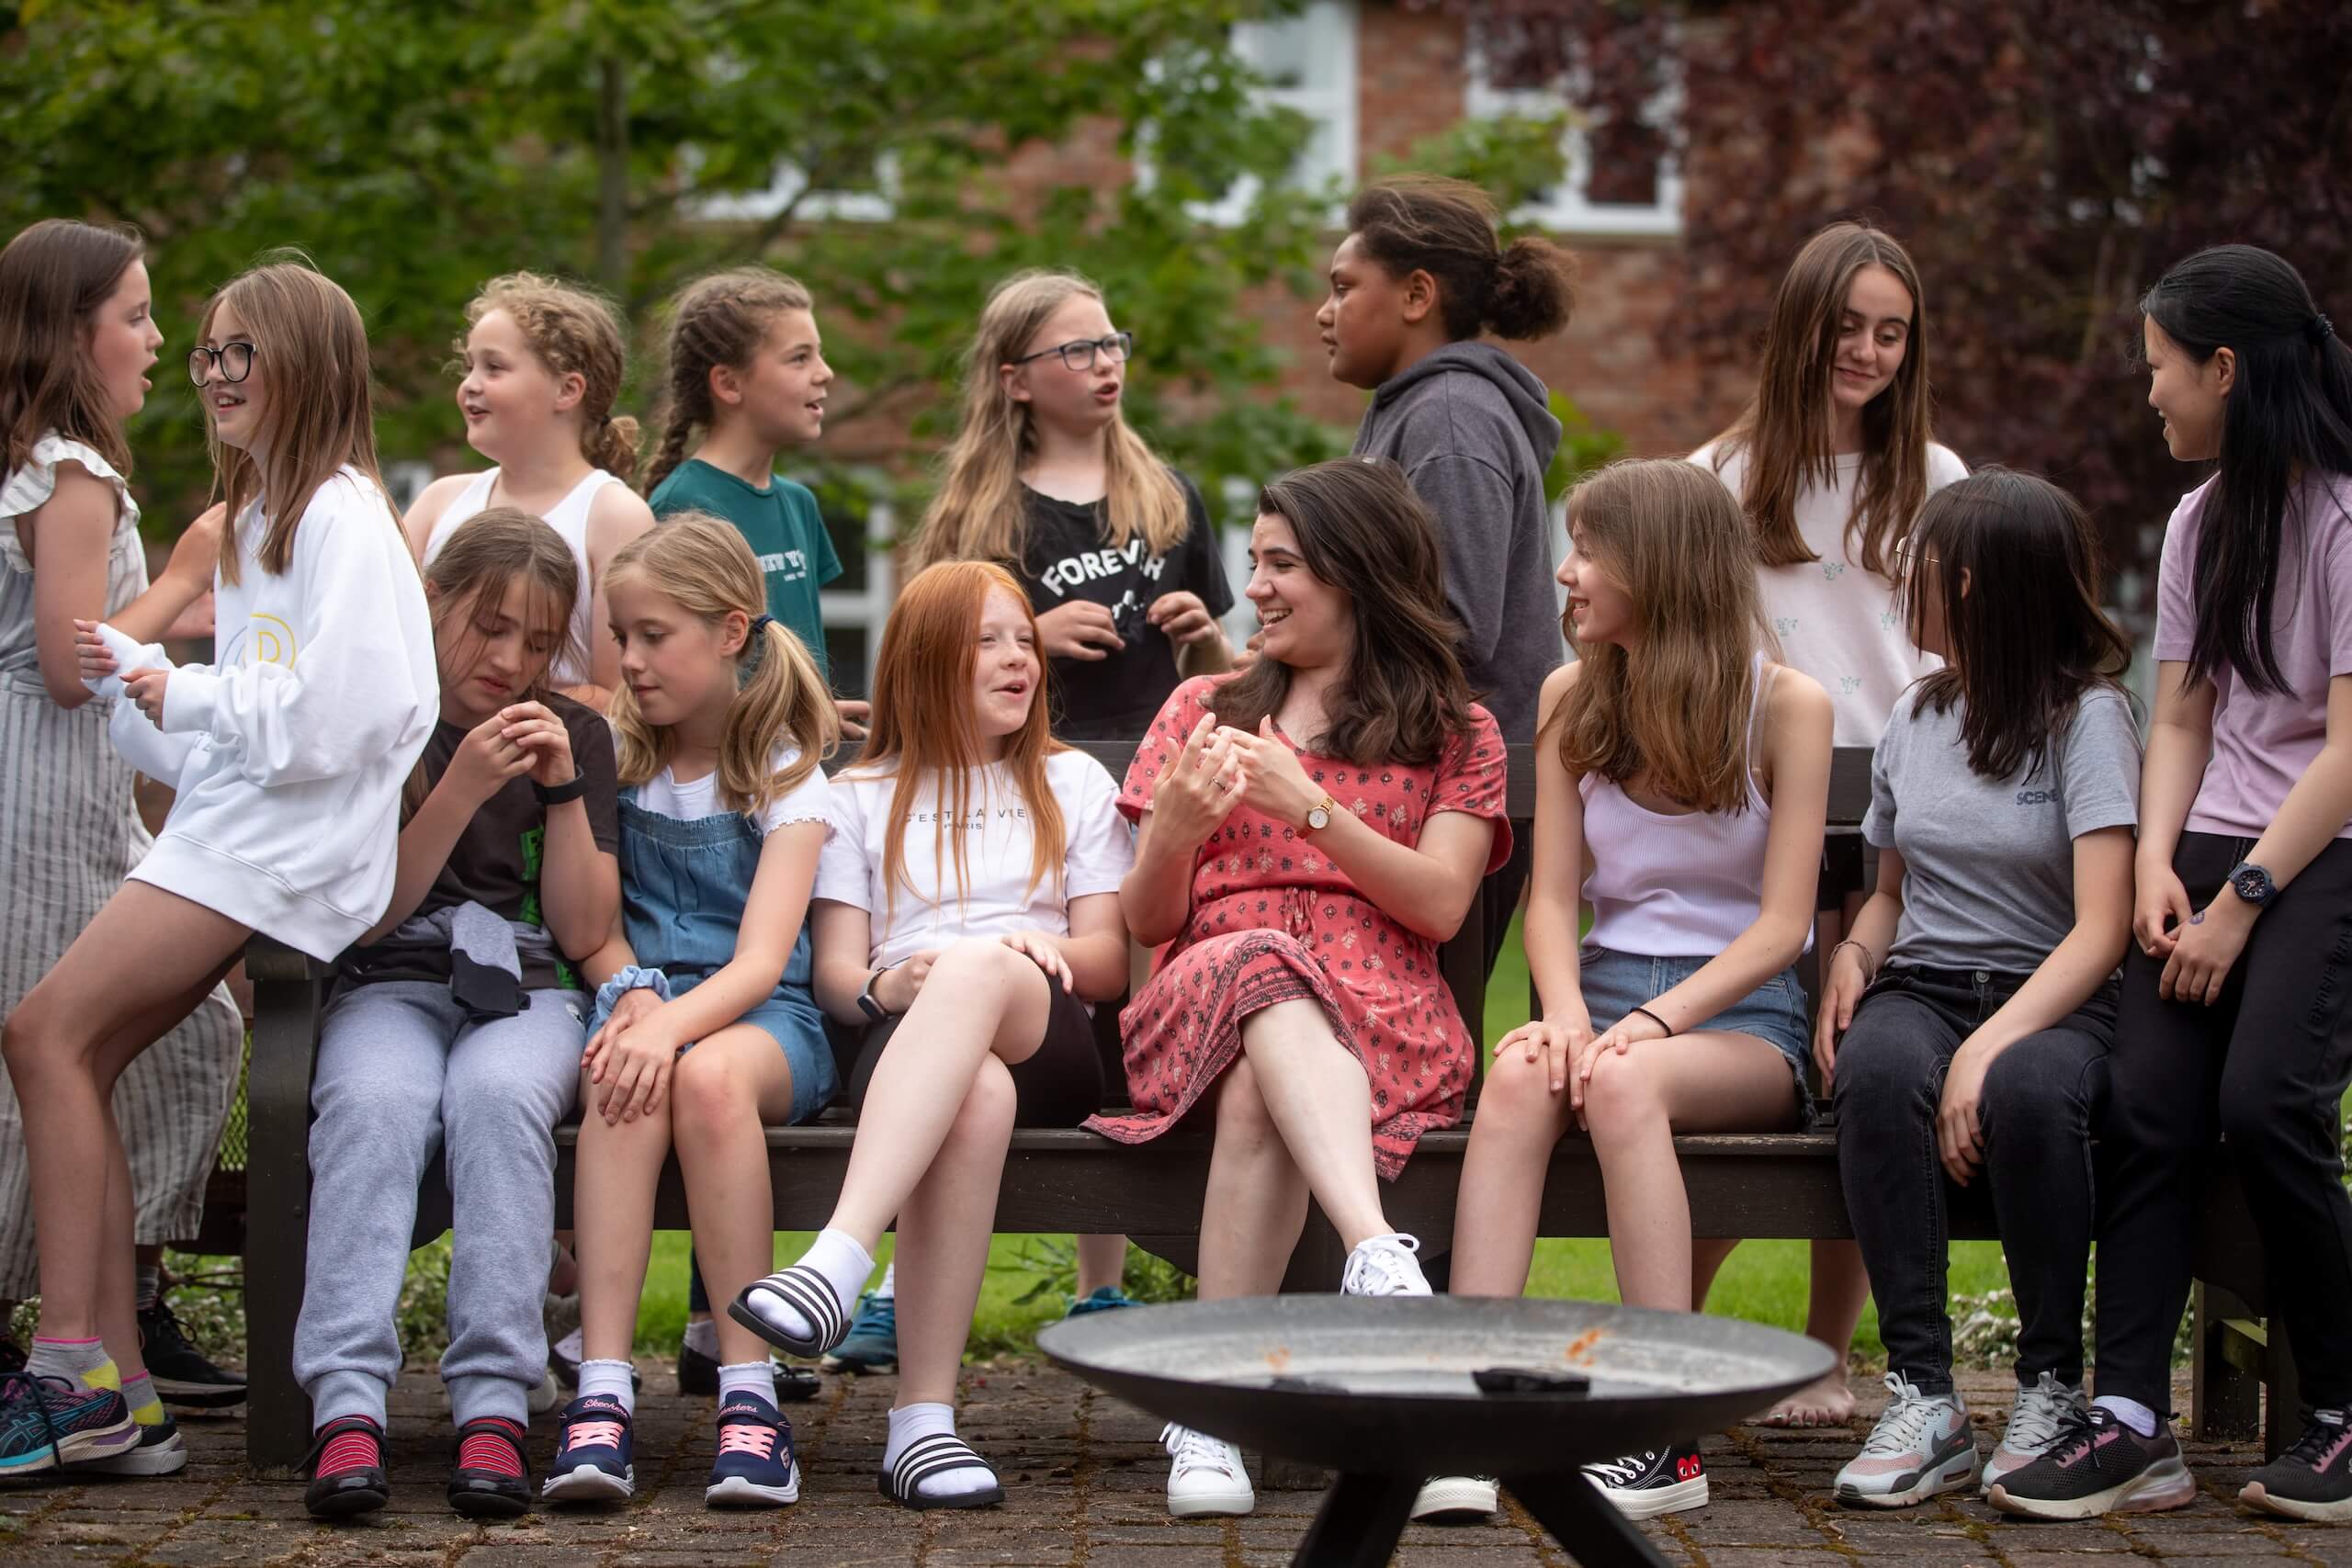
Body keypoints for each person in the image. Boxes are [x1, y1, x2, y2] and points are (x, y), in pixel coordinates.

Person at [1, 256, 435, 1479]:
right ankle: (116, 1388)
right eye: (208, 352)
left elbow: (352, 713)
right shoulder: (255, 523)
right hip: (234, 827)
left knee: (44, 1034)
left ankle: (75, 1364)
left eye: (243, 351)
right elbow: (222, 717)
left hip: (285, 850)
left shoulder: (343, 516)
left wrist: (176, 684)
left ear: (308, 366)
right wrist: (150, 703)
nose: (217, 373)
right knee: (64, 1045)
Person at [1996, 247, 2352, 1523]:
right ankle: (2135, 1420)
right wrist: (2155, 859)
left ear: (2224, 367)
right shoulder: (2203, 519)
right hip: (2208, 849)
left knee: (2263, 1106)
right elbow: (2188, 720)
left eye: (2159, 365)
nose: (2148, 390)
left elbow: (2349, 753)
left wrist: (2241, 898)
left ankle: (2342, 1409)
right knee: (2147, 1103)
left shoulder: (2349, 517)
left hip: (2322, 854)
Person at [1084, 458, 1509, 1521]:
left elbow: (1443, 906)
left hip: (1383, 1022)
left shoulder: (1456, 731)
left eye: (1284, 565)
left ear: (1358, 578)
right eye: (1256, 562)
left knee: (1257, 1082)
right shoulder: (1201, 707)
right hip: (1197, 1006)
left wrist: (1308, 806)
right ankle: (1379, 1254)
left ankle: (1212, 1413)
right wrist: (1175, 834)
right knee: (1259, 965)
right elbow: (1145, 923)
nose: (1256, 586)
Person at [1449, 457, 1830, 1520]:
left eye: (1587, 551)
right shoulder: (1571, 695)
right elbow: (1550, 899)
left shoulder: (1786, 706)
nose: (1565, 574)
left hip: (1739, 1026)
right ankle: (1470, 1414)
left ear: (1657, 568)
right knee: (1522, 1074)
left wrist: (1653, 1025)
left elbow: (1780, 927)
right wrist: (1564, 1017)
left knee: (1622, 1086)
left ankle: (1663, 1433)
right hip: (1602, 999)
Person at [729, 560, 1133, 1510]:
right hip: (913, 1044)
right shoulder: (857, 794)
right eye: (985, 641)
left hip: (1048, 1028)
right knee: (973, 1092)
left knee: (985, 965)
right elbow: (837, 977)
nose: (1015, 661)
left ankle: (838, 1254)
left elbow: (1109, 962)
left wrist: (1031, 948)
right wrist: (890, 981)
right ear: (922, 663)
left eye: (1022, 640)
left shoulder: (1070, 778)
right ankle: (922, 1425)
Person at [907, 266, 1234, 1345]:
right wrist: (1029, 638)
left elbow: (1233, 674)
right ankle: (888, 1284)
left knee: (1115, 1005)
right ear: (1013, 379)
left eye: (1112, 344)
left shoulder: (1168, 493)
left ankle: (1106, 1276)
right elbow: (931, 646)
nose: (1105, 366)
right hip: (1022, 781)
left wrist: (1203, 642)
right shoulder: (978, 510)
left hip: (1148, 781)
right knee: (1018, 972)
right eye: (1077, 351)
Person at [1690, 218, 1971, 1428]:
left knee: (1852, 1071)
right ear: (1800, 329)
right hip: (1769, 821)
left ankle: (1823, 1351)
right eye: (1847, 326)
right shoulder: (1719, 481)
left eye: (1891, 332)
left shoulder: (1939, 480)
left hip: (1902, 830)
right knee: (1747, 1067)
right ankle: (1675, 1338)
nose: (1866, 351)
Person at [1814, 469, 2139, 1507]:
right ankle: (1925, 1398)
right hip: (1923, 981)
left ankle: (2049, 1387)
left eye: (1915, 569)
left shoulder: (2089, 720)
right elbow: (1888, 894)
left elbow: (2100, 931)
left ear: (1970, 583)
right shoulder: (1918, 713)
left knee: (2033, 1092)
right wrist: (1855, 959)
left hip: (2054, 996)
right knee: (1873, 1069)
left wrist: (1986, 1048)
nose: (1899, 583)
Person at [294, 509, 620, 1520]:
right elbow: (362, 912)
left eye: (535, 639)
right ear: (431, 601)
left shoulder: (574, 732)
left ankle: (493, 1400)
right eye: (488, 627)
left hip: (525, 989)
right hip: (390, 977)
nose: (509, 659)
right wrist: (460, 784)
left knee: (496, 1098)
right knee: (374, 1103)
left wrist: (559, 790)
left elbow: (579, 927)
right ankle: (346, 1402)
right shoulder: (378, 718)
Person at [0, 219, 246, 1473]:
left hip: (43, 786)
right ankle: (87, 1370)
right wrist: (189, 571)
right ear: (70, 331)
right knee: (66, 1052)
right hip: (42, 801)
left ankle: (115, 1381)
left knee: (79, 1059)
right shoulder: (72, 471)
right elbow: (65, 662)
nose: (158, 343)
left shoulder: (30, 466)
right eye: (139, 317)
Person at [541, 514, 841, 1511]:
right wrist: (633, 1001)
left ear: (728, 630)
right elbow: (602, 926)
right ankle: (602, 1390)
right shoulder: (616, 761)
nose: (628, 659)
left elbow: (762, 962)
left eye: (651, 635)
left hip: (769, 1028)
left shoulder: (784, 768)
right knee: (618, 1074)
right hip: (649, 1005)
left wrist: (667, 1025)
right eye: (620, 637)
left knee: (702, 1074)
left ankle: (750, 1399)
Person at [1320, 175, 1574, 983]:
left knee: (1412, 1037)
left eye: (1342, 287)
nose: (1324, 313)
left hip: (1454, 793)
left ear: (1417, 294)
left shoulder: (1451, 419)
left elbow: (1453, 625)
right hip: (1418, 776)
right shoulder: (1419, 409)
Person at [405, 272, 655, 710]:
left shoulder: (613, 515)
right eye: (469, 367)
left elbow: (619, 695)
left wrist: (487, 695)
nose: (470, 385)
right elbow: (388, 639)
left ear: (567, 389)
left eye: (494, 367)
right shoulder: (439, 501)